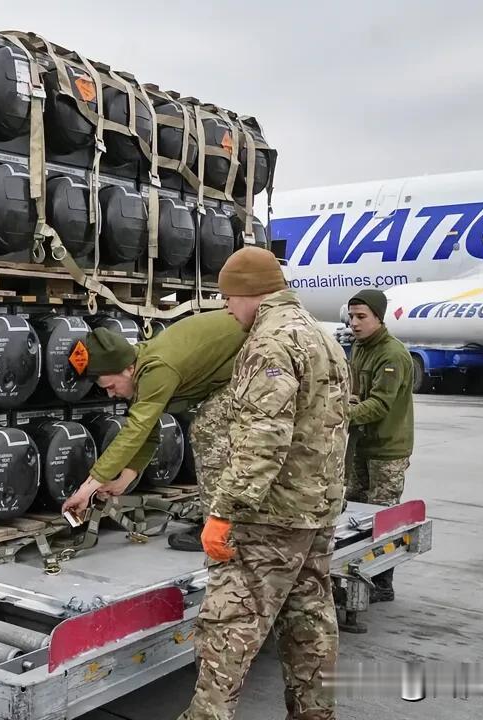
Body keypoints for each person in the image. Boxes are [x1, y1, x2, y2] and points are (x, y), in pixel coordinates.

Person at [178, 247, 350, 720]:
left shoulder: (270, 342)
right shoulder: (323, 336)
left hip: (270, 514)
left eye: (228, 299)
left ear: (248, 293)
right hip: (317, 509)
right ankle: (315, 713)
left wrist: (224, 510)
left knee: (228, 623)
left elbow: (262, 437)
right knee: (310, 618)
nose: (228, 309)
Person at [60, 312, 248, 553]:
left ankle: (223, 529)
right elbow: (148, 429)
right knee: (207, 425)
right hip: (235, 365)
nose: (110, 394)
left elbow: (136, 430)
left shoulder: (157, 369)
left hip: (258, 354)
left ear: (128, 369)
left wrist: (87, 489)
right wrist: (122, 481)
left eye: (111, 386)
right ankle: (223, 518)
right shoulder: (139, 369)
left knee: (208, 430)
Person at [345, 288, 414, 603]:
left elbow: (380, 405)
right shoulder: (360, 347)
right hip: (361, 444)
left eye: (361, 317)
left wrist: (340, 414)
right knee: (355, 514)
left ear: (378, 318)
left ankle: (382, 583)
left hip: (386, 450)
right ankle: (356, 574)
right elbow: (357, 391)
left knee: (382, 519)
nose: (354, 323)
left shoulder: (392, 354)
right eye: (352, 316)